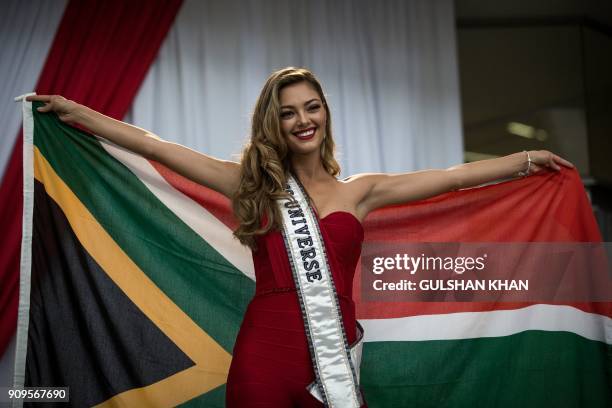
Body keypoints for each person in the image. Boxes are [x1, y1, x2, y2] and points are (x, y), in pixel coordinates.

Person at [27, 67, 573, 407]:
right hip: (264, 353)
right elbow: (156, 147)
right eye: (288, 113)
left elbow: (452, 177)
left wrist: (525, 160)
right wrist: (82, 115)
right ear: (275, 124)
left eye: (312, 107)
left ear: (326, 114)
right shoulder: (253, 184)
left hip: (330, 357)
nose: (302, 120)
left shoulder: (362, 191)